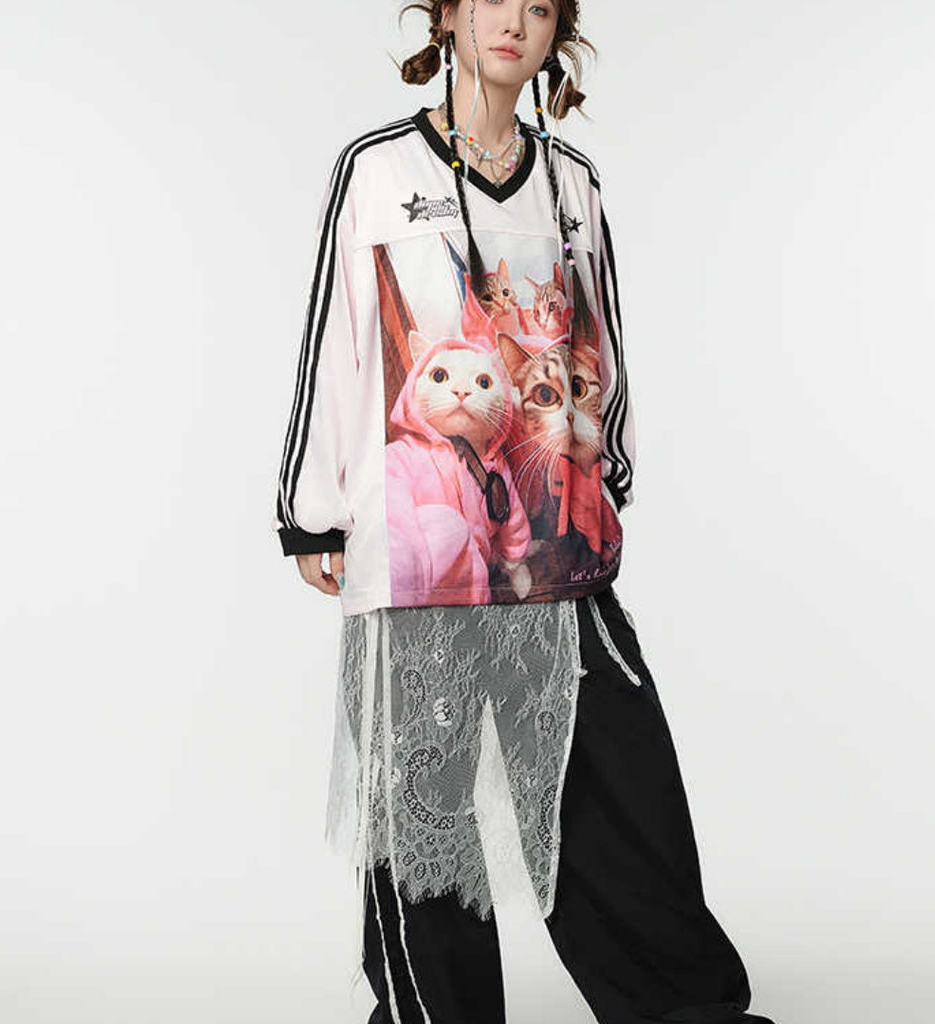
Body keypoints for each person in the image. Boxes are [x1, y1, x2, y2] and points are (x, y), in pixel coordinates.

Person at [273, 2, 777, 1022]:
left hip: (556, 541)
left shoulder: (572, 182)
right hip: (419, 547)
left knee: (617, 789)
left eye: (539, 6)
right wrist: (312, 510)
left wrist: (607, 479)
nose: (514, 21)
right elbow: (337, 338)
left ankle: (684, 1011)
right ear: (448, 15)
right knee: (425, 814)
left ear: (557, 34)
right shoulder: (377, 170)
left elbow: (603, 342)